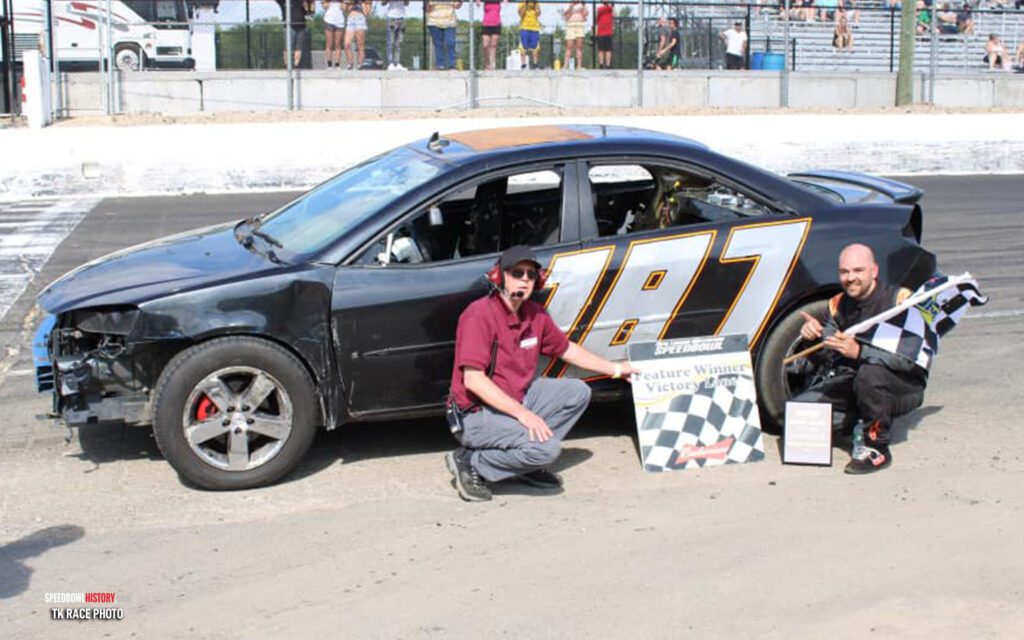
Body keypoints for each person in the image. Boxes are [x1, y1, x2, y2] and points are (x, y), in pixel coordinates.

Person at [445, 246, 638, 502]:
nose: (524, 279)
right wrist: (523, 415)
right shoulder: (479, 315)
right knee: (547, 451)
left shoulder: (535, 313)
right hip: (477, 412)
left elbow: (567, 349)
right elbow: (474, 380)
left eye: (530, 274)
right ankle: (471, 461)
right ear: (499, 276)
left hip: (518, 398)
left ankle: (524, 464)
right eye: (517, 273)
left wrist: (616, 369)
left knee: (578, 392)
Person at [793, 244, 927, 474]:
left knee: (870, 374)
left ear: (873, 271)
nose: (850, 278)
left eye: (858, 271)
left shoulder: (900, 301)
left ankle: (877, 447)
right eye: (844, 272)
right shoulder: (837, 305)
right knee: (798, 416)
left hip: (903, 386)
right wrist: (811, 338)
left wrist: (859, 353)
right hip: (855, 383)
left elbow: (908, 361)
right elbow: (826, 357)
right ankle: (861, 420)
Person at [277, 0, 314, 68]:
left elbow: (310, 11)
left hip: (301, 26)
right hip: (289, 27)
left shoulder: (302, 2)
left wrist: (307, 7)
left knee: (298, 47)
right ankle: (287, 64)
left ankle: (296, 64)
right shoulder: (285, 2)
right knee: (288, 47)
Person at [426, 0, 462, 70]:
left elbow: (457, 6)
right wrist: (428, 4)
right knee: (438, 44)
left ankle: (452, 65)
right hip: (434, 21)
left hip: (450, 21)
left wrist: (459, 2)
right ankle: (440, 65)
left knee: (450, 43)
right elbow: (427, 9)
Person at [343, 0, 371, 70]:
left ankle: (360, 64)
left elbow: (367, 12)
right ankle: (350, 63)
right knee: (347, 43)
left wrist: (361, 2)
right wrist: (350, 3)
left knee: (360, 44)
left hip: (360, 19)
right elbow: (345, 9)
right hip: (350, 19)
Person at [563, 0, 589, 70]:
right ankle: (565, 65)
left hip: (579, 25)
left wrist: (583, 6)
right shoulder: (569, 4)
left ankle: (579, 66)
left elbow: (586, 14)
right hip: (571, 25)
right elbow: (566, 15)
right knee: (569, 46)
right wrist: (570, 7)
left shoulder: (582, 5)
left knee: (579, 46)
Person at [384, 0, 410, 70]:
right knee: (390, 42)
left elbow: (407, 3)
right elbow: (383, 3)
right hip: (391, 17)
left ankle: (397, 63)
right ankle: (390, 63)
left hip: (401, 17)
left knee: (399, 43)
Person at [480, 0, 503, 71]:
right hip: (486, 23)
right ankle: (487, 64)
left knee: (494, 45)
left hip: (496, 23)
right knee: (485, 45)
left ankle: (492, 64)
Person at [322, 0, 346, 68]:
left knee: (338, 44)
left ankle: (337, 64)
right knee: (329, 43)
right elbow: (324, 6)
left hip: (340, 21)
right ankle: (329, 64)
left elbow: (344, 8)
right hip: (329, 20)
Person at [518, 1, 542, 68]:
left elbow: (539, 13)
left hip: (535, 27)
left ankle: (535, 64)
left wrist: (535, 6)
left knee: (535, 48)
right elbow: (520, 14)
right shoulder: (522, 2)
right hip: (524, 27)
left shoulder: (536, 3)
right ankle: (523, 64)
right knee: (523, 47)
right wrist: (526, 4)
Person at [595, 0, 615, 69]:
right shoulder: (600, 8)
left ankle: (608, 64)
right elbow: (597, 19)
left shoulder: (611, 8)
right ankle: (601, 64)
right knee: (601, 49)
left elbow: (614, 14)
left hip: (608, 32)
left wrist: (611, 6)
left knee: (608, 49)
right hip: (601, 31)